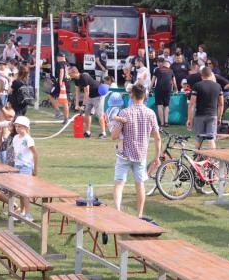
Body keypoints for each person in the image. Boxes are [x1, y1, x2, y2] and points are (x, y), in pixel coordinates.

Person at [111, 84, 161, 218]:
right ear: (145, 96)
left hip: (124, 154)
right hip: (141, 154)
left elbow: (114, 136)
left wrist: (114, 123)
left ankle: (117, 212)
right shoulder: (150, 113)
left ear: (132, 95)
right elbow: (157, 137)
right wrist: (157, 156)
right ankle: (139, 215)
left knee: (119, 183)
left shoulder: (124, 113)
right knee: (140, 185)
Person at [187, 66, 224, 149]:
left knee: (198, 139)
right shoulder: (218, 86)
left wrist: (189, 119)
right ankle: (213, 157)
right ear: (211, 75)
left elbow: (192, 104)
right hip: (212, 115)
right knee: (211, 139)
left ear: (201, 75)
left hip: (199, 115)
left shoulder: (197, 85)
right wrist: (219, 118)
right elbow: (221, 104)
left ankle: (196, 156)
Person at [10, 116, 38, 222]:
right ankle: (22, 212)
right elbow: (15, 153)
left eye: (20, 126)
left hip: (26, 167)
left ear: (26, 127)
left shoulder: (28, 139)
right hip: (17, 167)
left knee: (25, 192)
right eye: (16, 126)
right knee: (20, 191)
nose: (17, 128)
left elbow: (35, 154)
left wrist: (35, 169)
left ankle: (28, 214)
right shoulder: (15, 138)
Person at [68, 66, 102, 138]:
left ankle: (103, 133)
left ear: (74, 72)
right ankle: (88, 132)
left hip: (98, 94)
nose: (69, 75)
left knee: (99, 114)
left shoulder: (83, 77)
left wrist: (83, 105)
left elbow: (86, 92)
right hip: (90, 95)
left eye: (69, 73)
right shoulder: (76, 79)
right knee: (87, 113)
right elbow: (77, 92)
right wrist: (76, 105)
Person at [151, 57, 177, 127]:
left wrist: (149, 89)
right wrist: (176, 90)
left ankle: (162, 123)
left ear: (163, 63)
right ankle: (166, 122)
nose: (158, 64)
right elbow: (174, 82)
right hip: (167, 88)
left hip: (159, 88)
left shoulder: (157, 70)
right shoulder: (171, 70)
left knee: (160, 105)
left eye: (159, 62)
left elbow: (153, 81)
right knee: (166, 105)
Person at [49, 52, 70, 122]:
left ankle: (58, 112)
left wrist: (60, 81)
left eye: (57, 57)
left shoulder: (60, 63)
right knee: (65, 101)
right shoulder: (67, 64)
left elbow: (61, 71)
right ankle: (66, 118)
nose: (57, 59)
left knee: (50, 95)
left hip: (61, 83)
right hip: (67, 83)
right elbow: (69, 73)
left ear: (59, 57)